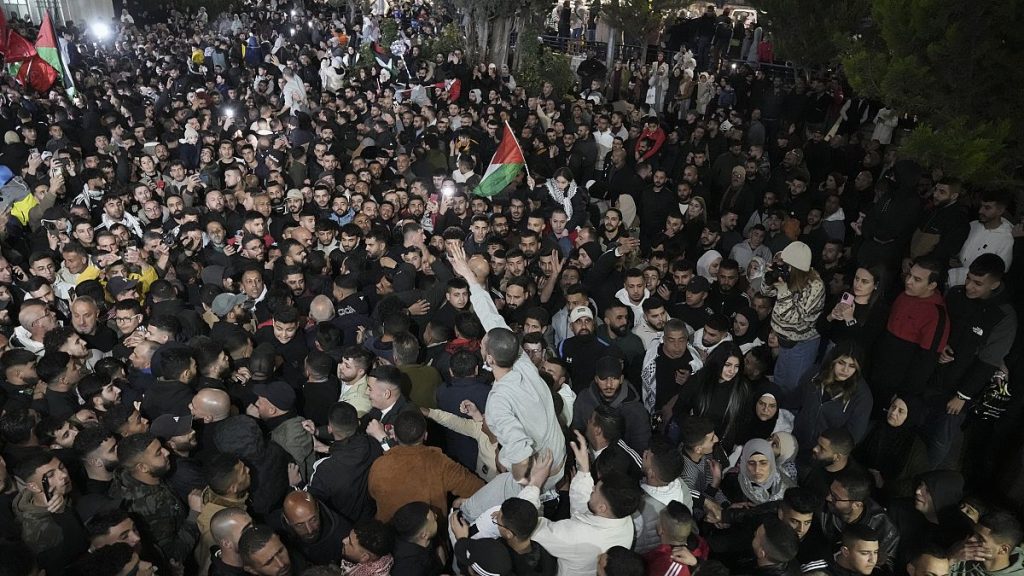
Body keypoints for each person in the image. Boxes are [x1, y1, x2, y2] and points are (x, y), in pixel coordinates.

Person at [367, 409, 484, 522]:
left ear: (395, 436)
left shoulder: (379, 465)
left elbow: (373, 493)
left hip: (389, 534)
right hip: (430, 535)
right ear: (426, 435)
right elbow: (479, 490)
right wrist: (461, 502)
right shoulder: (441, 464)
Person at [760, 241, 825, 401]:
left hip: (801, 343)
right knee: (780, 380)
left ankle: (789, 417)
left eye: (786, 265)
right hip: (783, 339)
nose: (784, 268)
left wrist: (783, 292)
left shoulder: (815, 286)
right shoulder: (787, 275)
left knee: (793, 387)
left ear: (797, 268)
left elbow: (796, 319)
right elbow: (765, 292)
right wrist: (770, 278)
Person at [791, 342, 873, 456]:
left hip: (824, 454)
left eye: (852, 366)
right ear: (832, 361)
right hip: (796, 440)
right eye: (841, 363)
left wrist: (826, 452)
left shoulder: (862, 396)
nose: (845, 370)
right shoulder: (815, 374)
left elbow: (852, 437)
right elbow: (793, 399)